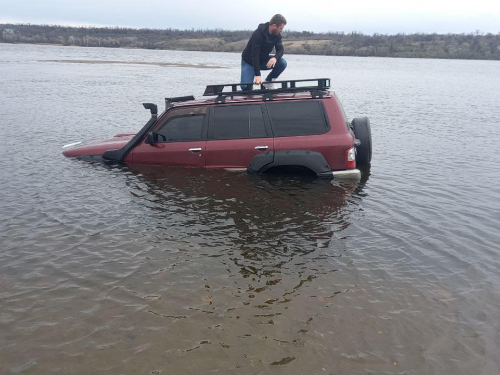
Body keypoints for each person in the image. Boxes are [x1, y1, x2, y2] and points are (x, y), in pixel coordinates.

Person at [241, 14, 287, 90]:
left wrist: (275, 58)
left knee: (282, 63)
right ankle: (250, 89)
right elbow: (254, 55)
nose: (281, 30)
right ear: (274, 26)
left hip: (263, 60)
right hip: (249, 62)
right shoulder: (258, 34)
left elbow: (280, 50)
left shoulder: (277, 35)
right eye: (281, 28)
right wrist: (257, 75)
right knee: (245, 87)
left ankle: (268, 83)